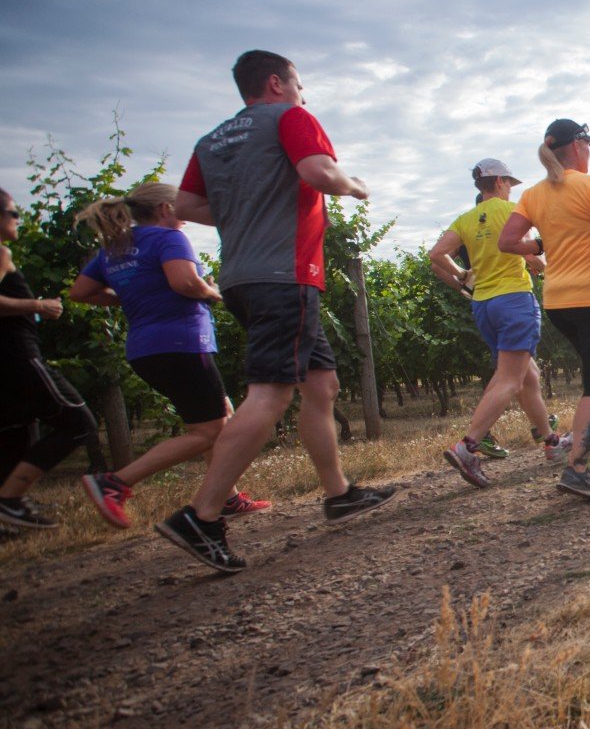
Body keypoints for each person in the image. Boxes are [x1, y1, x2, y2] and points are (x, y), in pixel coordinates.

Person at [165, 50, 395, 573]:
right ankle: (202, 516)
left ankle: (338, 493)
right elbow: (319, 172)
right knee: (270, 392)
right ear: (275, 82)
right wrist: (356, 186)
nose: (302, 95)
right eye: (298, 84)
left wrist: (247, 209)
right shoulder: (290, 117)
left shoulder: (212, 140)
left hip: (242, 276)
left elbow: (185, 206)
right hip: (283, 275)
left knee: (322, 385)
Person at [70, 183, 270, 526]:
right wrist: (215, 293)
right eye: (183, 206)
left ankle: (228, 497)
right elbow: (185, 283)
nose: (188, 215)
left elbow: (81, 292)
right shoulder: (168, 238)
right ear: (165, 208)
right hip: (181, 343)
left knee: (220, 414)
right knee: (208, 431)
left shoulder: (116, 248)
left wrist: (135, 297)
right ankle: (115, 483)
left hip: (145, 348)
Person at [501, 119, 590, 500]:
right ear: (576, 146)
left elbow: (507, 241)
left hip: (557, 301)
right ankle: (576, 469)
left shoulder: (534, 195)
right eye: (588, 145)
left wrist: (540, 246)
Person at [428, 158, 565, 490]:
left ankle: (551, 441)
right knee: (510, 379)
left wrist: (462, 275)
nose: (510, 189)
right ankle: (468, 446)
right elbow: (531, 256)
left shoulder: (466, 219)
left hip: (483, 306)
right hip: (514, 300)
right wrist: (547, 268)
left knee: (528, 376)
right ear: (501, 181)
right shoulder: (513, 212)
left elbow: (436, 254)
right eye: (509, 183)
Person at [0, 188, 97, 530]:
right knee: (78, 422)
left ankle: (10, 511)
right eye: (13, 213)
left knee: (17, 432)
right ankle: (9, 500)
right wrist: (38, 305)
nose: (18, 219)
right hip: (18, 355)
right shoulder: (1, 252)